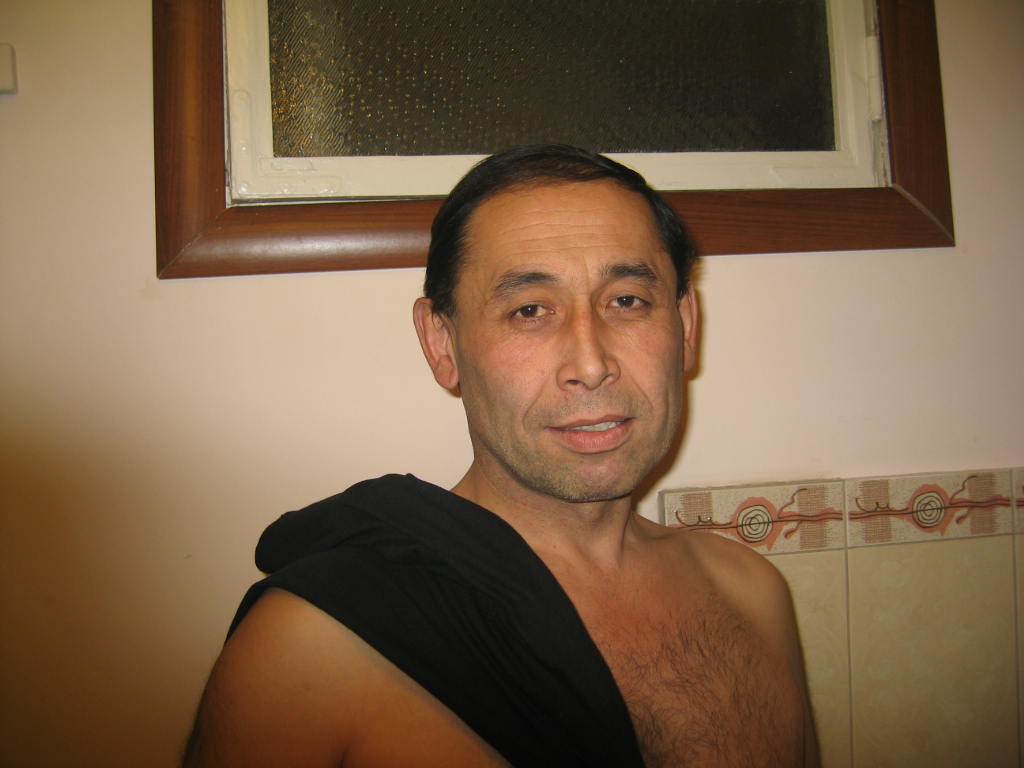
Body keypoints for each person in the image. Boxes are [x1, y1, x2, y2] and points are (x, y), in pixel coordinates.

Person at [183, 145, 819, 767]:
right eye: (529, 310)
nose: (591, 363)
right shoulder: (312, 647)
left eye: (627, 300)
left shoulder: (751, 594)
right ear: (442, 343)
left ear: (685, 325)